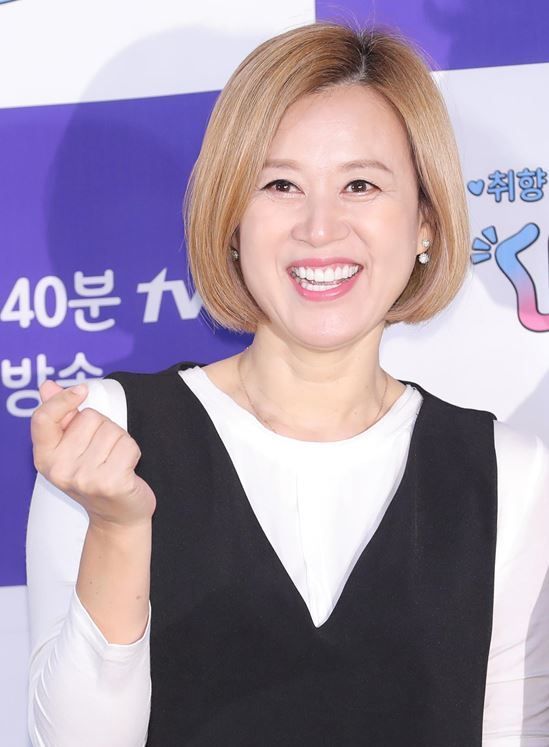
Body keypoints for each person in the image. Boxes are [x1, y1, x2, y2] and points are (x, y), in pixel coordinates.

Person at [26, 20, 549, 747]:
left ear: (425, 223)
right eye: (280, 185)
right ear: (232, 221)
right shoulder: (109, 438)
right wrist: (117, 528)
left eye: (361, 184)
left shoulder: (509, 473)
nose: (320, 227)